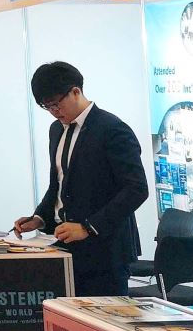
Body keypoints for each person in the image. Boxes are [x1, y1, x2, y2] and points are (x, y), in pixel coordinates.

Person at [13, 61, 148, 296]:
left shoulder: (112, 129)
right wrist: (39, 218)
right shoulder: (56, 130)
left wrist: (88, 227)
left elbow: (136, 189)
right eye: (47, 107)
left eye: (56, 104)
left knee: (102, 318)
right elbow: (59, 184)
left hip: (105, 252)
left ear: (76, 91)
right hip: (66, 248)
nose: (54, 111)